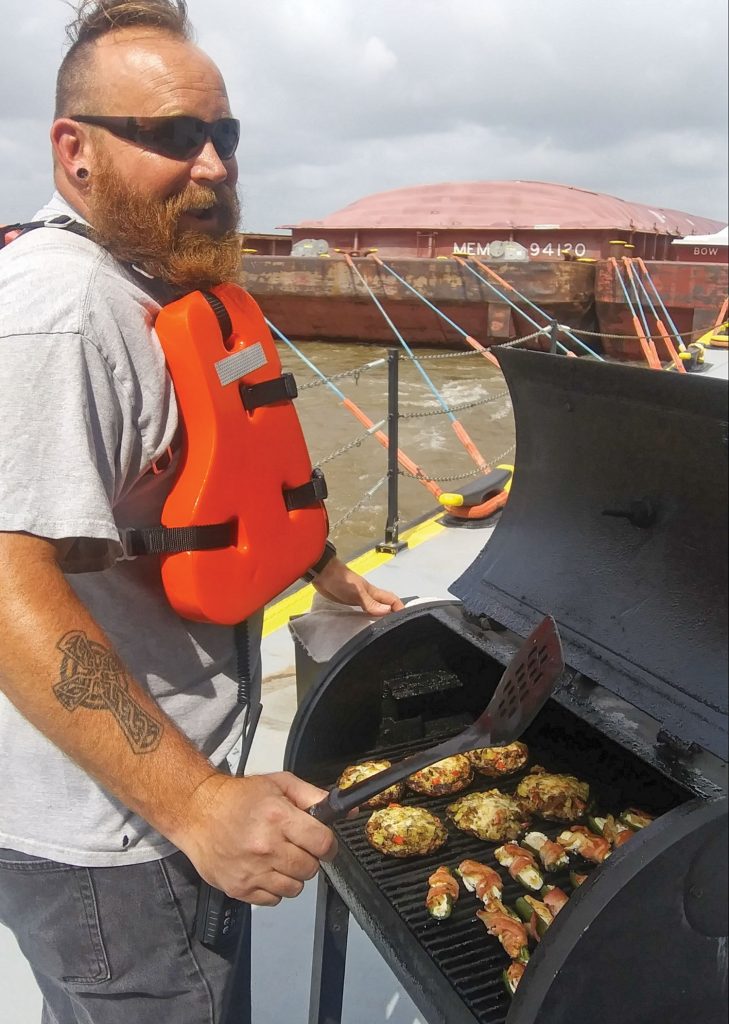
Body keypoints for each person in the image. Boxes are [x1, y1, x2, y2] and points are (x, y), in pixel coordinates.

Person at [0, 2, 404, 1021]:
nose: (216, 167)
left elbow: (215, 473)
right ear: (75, 151)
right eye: (175, 136)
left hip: (150, 806)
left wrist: (321, 564)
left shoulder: (152, 290)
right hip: (120, 843)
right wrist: (198, 804)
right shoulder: (62, 313)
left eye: (224, 135)